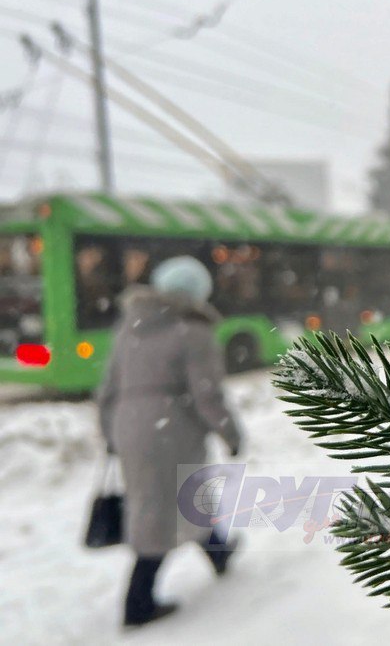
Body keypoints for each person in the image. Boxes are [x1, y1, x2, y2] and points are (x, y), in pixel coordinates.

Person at [97, 255, 243, 627]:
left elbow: (108, 390)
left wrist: (110, 433)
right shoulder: (193, 331)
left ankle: (219, 552)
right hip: (171, 429)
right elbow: (207, 394)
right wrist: (230, 432)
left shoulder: (130, 328)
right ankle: (138, 603)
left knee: (171, 498)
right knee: (160, 511)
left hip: (130, 428)